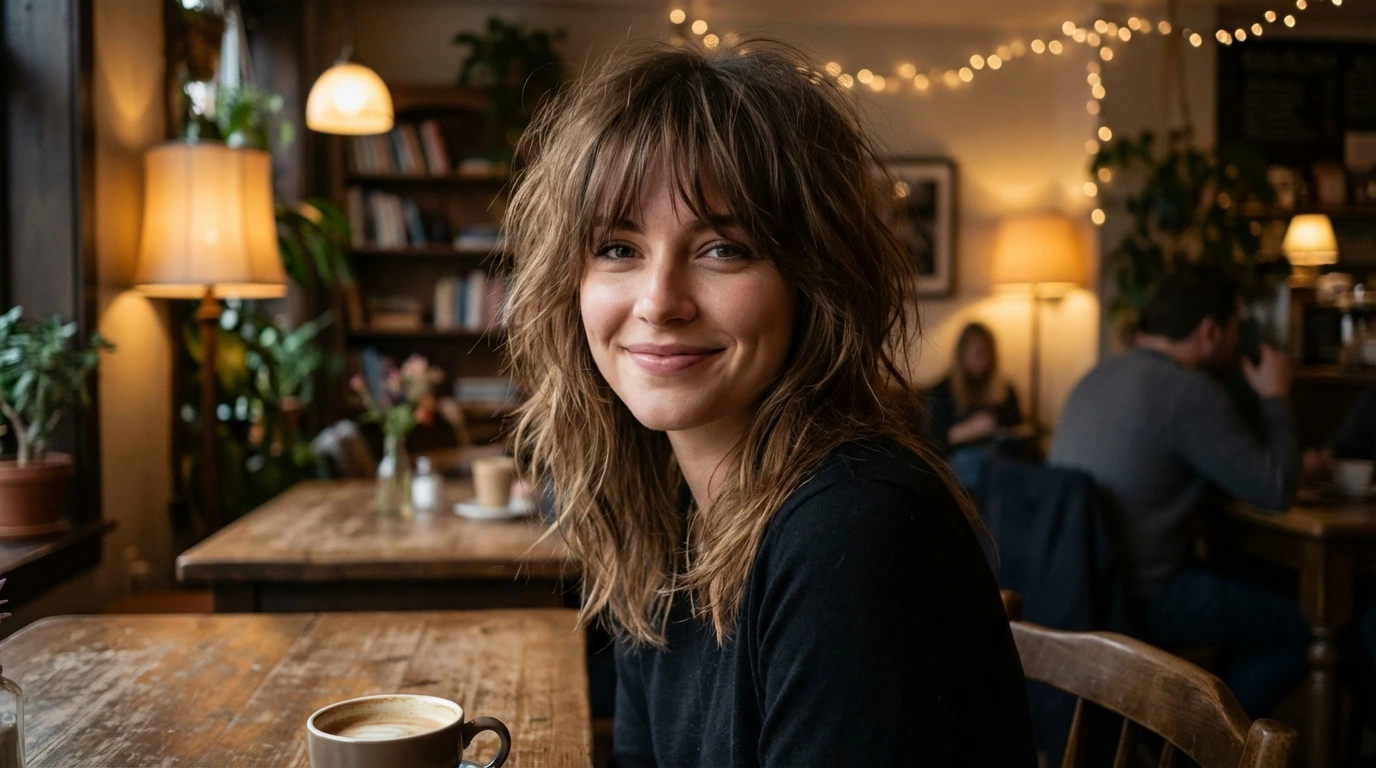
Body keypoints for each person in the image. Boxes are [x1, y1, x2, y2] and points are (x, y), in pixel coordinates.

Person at [501, 37, 1036, 767]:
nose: (659, 302)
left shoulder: (853, 532)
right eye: (618, 248)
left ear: (815, 279)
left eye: (723, 248)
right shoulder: (659, 511)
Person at [1049, 265, 1309, 719]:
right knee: (1301, 632)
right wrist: (1274, 394)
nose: (1238, 340)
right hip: (1143, 596)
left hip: (1077, 592)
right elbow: (1276, 488)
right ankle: (1206, 741)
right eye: (1235, 327)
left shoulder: (1097, 375)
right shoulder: (1188, 392)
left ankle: (1183, 729)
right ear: (1210, 332)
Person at [924, 322, 1027, 487]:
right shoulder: (944, 390)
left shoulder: (1004, 389)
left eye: (989, 353)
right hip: (963, 461)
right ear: (962, 353)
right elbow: (933, 440)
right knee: (981, 464)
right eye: (979, 353)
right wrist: (971, 429)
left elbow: (1018, 428)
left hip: (1000, 456)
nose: (985, 360)